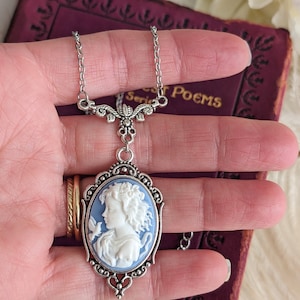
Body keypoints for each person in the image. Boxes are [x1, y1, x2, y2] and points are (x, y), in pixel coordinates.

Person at [0, 29, 298, 299]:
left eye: (110, 206)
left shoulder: (128, 248)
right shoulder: (105, 240)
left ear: (129, 212)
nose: (105, 211)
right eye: (107, 205)